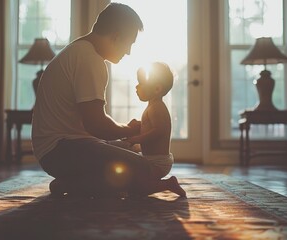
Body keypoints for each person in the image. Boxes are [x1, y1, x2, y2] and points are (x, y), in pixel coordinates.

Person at [32, 3, 186, 197]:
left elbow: (94, 123)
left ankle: (74, 182)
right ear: (116, 36)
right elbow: (97, 126)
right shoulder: (90, 59)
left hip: (63, 148)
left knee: (129, 152)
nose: (128, 51)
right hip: (60, 151)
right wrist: (129, 130)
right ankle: (70, 184)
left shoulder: (80, 51)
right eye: (129, 43)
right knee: (143, 166)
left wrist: (126, 133)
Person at [111, 62, 176, 180]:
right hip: (151, 158)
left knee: (135, 181)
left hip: (157, 162)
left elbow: (158, 131)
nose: (136, 87)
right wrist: (140, 125)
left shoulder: (157, 107)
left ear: (157, 89)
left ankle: (168, 184)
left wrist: (136, 139)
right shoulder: (153, 106)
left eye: (140, 83)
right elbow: (153, 127)